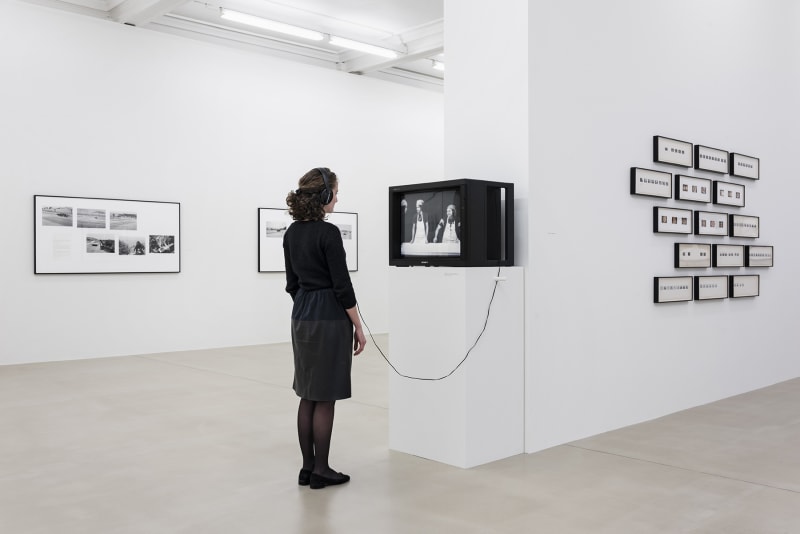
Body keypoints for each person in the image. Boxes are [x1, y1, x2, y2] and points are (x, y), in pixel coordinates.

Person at [283, 167, 367, 490]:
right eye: (335, 191)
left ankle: (307, 468)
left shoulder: (291, 234)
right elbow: (342, 287)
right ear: (325, 196)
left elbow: (292, 284)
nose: (337, 197)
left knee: (307, 394)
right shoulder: (328, 234)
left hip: (302, 314)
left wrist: (306, 301)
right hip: (329, 316)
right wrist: (357, 327)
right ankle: (322, 470)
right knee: (326, 397)